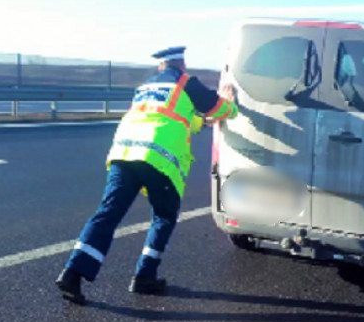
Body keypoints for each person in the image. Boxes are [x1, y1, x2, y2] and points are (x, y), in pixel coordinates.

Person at [55, 46, 237, 304]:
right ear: (182, 65)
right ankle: (144, 276)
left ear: (159, 67)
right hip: (158, 158)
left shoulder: (144, 88)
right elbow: (220, 109)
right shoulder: (187, 83)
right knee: (164, 216)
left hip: (124, 153)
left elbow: (173, 116)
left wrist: (201, 123)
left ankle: (72, 273)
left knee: (108, 213)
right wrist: (228, 100)